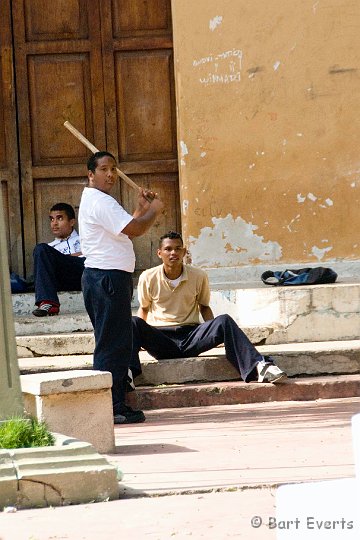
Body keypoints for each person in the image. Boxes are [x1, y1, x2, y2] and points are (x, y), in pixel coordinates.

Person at [131, 231, 287, 386]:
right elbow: (144, 309)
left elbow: (204, 307)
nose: (173, 253)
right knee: (133, 322)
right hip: (162, 340)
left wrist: (213, 331)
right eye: (168, 249)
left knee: (224, 320)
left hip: (191, 337)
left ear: (184, 252)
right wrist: (140, 340)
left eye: (178, 248)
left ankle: (259, 367)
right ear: (159, 253)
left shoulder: (199, 276)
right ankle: (128, 374)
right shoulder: (148, 277)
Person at [79, 150, 164, 425]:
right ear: (91, 175)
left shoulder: (99, 201)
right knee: (111, 345)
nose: (111, 174)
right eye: (104, 169)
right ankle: (112, 406)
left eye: (113, 169)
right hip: (106, 279)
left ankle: (115, 403)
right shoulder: (100, 201)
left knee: (116, 342)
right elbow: (135, 229)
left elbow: (126, 225)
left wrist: (140, 209)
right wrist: (154, 210)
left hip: (106, 278)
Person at [32, 203, 85, 317]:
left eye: (59, 218)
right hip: (61, 280)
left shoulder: (85, 239)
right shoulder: (48, 249)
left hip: (84, 276)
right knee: (40, 249)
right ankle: (48, 303)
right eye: (52, 219)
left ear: (72, 222)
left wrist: (69, 257)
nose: (54, 223)